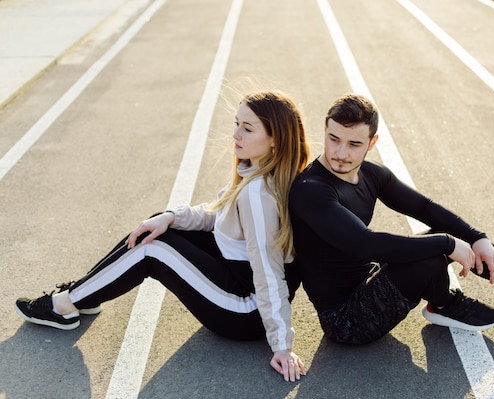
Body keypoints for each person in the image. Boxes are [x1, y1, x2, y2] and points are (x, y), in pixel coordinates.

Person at [15, 90, 310, 381]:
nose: (236, 134)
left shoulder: (258, 195)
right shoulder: (258, 173)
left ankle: (64, 305)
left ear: (275, 140)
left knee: (151, 248)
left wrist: (282, 346)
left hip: (245, 310)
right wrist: (171, 216)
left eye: (247, 129)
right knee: (158, 225)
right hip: (237, 278)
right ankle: (84, 293)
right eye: (236, 124)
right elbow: (216, 215)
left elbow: (268, 272)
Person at [288, 93, 494, 345]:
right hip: (346, 319)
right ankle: (444, 304)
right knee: (433, 247)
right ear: (325, 130)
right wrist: (448, 243)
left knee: (443, 234)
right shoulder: (311, 189)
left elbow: (425, 207)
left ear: (372, 143)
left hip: (369, 281)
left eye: (353, 144)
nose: (340, 153)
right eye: (334, 139)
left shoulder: (372, 175)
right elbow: (365, 245)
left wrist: (476, 236)